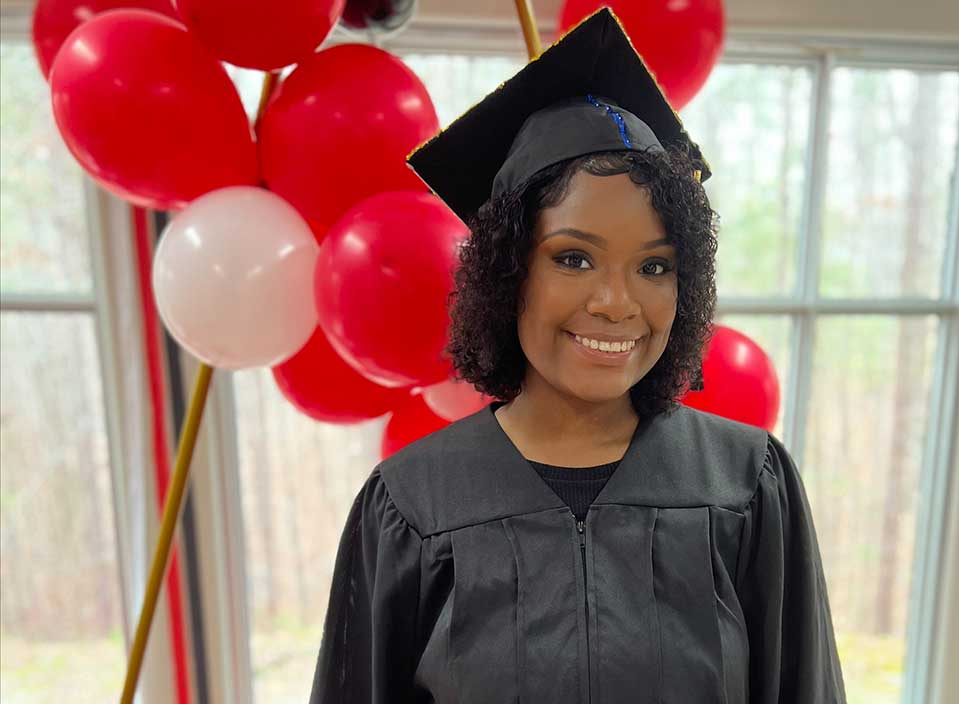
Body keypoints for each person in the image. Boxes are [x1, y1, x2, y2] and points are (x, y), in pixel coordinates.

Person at [309, 8, 846, 704]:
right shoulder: (412, 505)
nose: (617, 303)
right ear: (509, 274)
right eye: (574, 258)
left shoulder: (747, 485)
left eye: (654, 268)